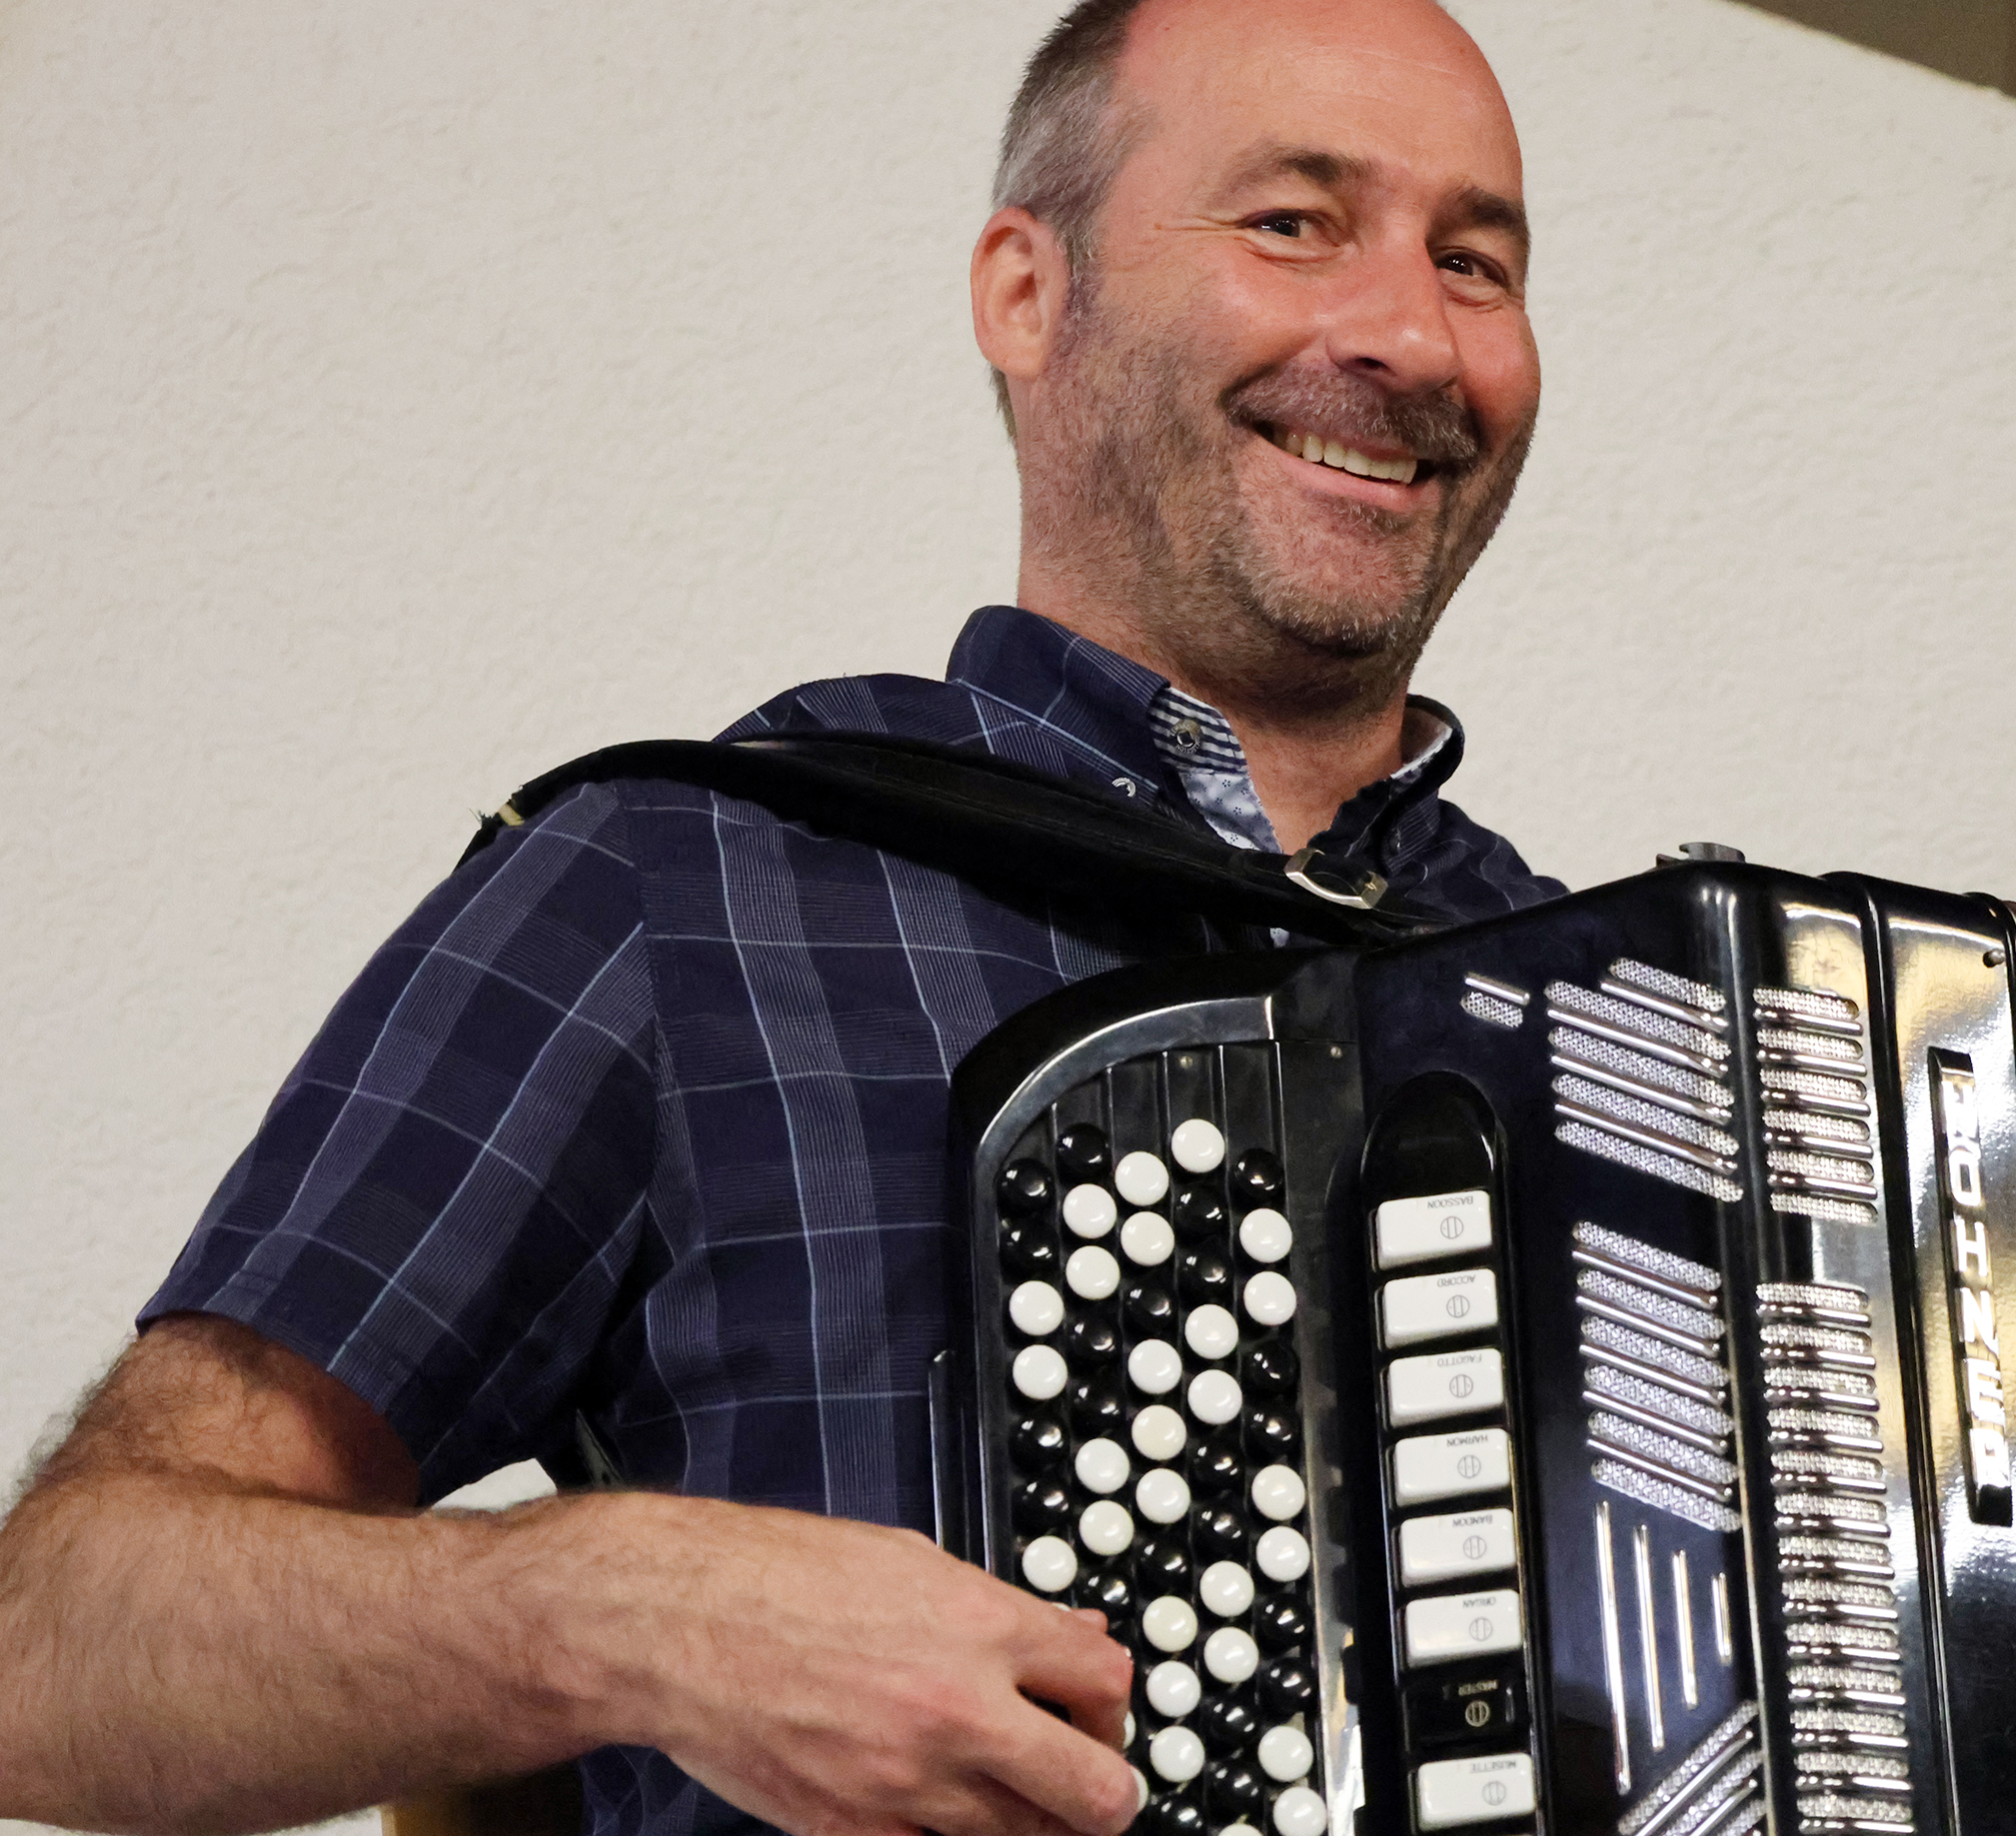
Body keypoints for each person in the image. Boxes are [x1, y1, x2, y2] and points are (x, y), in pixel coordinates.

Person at [0, 2, 1552, 1833]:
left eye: (1475, 260)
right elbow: (53, 1644)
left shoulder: (1609, 1011)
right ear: (1027, 296)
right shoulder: (680, 882)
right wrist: (608, 1611)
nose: (1404, 331)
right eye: (1294, 222)